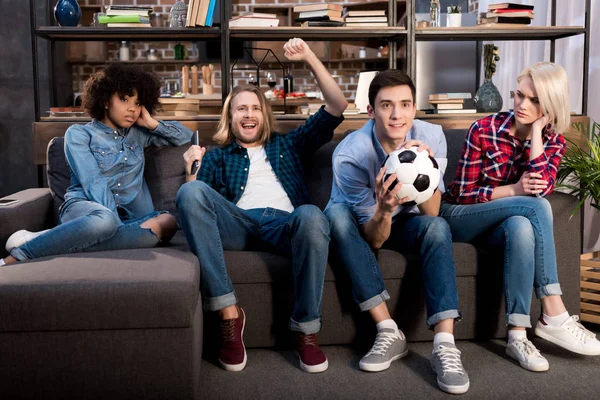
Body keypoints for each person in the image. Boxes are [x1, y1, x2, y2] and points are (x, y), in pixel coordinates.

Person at [177, 38, 347, 373]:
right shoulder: (219, 155)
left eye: (255, 108)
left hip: (285, 225)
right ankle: (229, 313)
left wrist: (309, 55)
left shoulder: (290, 144)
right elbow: (193, 208)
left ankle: (306, 331)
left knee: (313, 215)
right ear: (231, 116)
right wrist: (190, 171)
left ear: (264, 114)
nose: (249, 114)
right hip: (237, 224)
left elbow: (338, 105)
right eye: (241, 108)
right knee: (188, 192)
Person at [440, 62, 600, 372]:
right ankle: (554, 311)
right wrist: (513, 189)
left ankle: (517, 334)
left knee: (521, 227)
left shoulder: (553, 141)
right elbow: (460, 193)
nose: (522, 105)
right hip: (460, 215)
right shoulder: (484, 130)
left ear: (550, 106)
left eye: (535, 100)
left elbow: (539, 185)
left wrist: (537, 133)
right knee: (536, 208)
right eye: (519, 95)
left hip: (501, 224)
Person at [325, 69, 469, 394]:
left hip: (410, 218)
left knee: (437, 227)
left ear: (415, 109)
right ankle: (388, 331)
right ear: (371, 111)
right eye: (386, 105)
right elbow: (374, 239)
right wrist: (385, 208)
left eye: (405, 104)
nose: (396, 114)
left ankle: (445, 344)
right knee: (335, 217)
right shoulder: (351, 154)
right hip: (359, 222)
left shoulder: (431, 135)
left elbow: (431, 213)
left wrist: (428, 170)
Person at [1, 63, 192, 266]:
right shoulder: (79, 134)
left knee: (168, 222)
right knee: (105, 221)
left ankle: (53, 239)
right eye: (125, 100)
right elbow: (93, 181)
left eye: (137, 103)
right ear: (105, 101)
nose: (132, 109)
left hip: (131, 220)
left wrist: (151, 123)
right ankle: (18, 255)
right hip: (86, 213)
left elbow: (185, 137)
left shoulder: (139, 134)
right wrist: (112, 224)